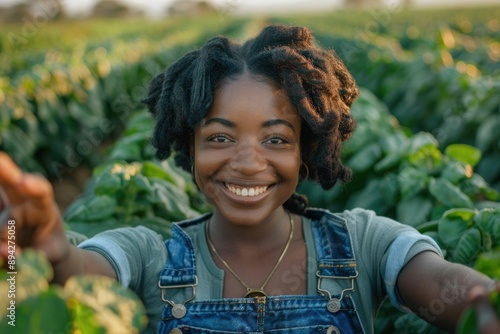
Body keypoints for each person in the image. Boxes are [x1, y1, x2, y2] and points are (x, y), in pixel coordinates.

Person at [0, 24, 498, 334]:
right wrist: (45, 246)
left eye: (276, 140)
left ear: (307, 151)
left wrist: (483, 299)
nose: (246, 162)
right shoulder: (149, 255)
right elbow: (80, 274)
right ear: (188, 146)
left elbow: (443, 286)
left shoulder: (364, 242)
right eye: (219, 138)